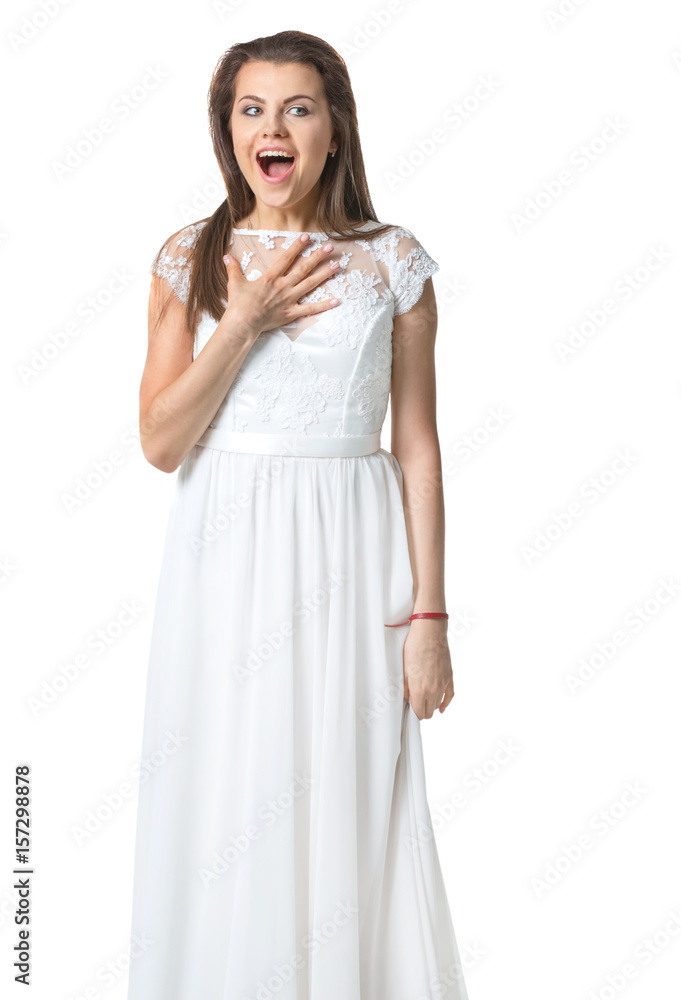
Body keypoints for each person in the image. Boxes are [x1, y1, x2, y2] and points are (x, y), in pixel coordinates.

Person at [127, 28, 470, 1000]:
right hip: (224, 552)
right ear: (226, 129)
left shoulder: (393, 261)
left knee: (347, 790)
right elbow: (160, 442)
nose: (272, 127)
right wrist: (242, 322)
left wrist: (432, 616)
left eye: (298, 108)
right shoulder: (187, 257)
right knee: (231, 787)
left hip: (357, 558)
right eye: (251, 108)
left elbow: (417, 444)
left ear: (333, 130)